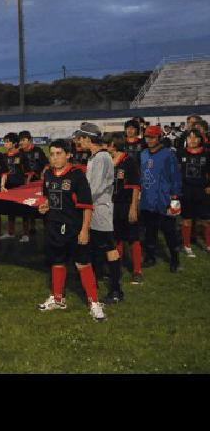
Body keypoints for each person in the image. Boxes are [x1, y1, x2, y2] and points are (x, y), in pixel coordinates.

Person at [37, 139, 106, 322]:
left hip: (74, 228)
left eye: (59, 153)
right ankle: (58, 299)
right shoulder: (48, 175)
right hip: (53, 226)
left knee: (82, 264)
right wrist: (45, 207)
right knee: (57, 262)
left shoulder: (77, 176)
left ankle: (94, 303)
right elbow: (49, 200)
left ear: (68, 155)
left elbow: (87, 206)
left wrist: (84, 230)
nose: (55, 157)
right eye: (52, 154)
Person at [75, 123, 123, 304]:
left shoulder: (101, 158)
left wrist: (76, 198)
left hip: (100, 209)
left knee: (109, 247)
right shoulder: (95, 157)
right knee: (98, 246)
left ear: (88, 138)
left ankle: (116, 290)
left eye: (81, 138)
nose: (79, 141)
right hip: (94, 208)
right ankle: (96, 279)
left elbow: (94, 188)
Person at [139, 125, 183, 272]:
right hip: (147, 200)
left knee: (169, 231)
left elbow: (175, 176)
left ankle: (175, 260)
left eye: (152, 137)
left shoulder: (168, 154)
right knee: (149, 231)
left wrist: (175, 198)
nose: (149, 140)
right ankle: (150, 257)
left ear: (159, 138)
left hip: (164, 200)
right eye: (147, 137)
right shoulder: (143, 153)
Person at [105, 132, 143, 284]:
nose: (104, 146)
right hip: (112, 205)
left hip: (126, 204)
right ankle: (117, 269)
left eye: (106, 144)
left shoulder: (129, 161)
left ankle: (137, 271)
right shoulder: (107, 160)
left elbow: (135, 186)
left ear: (113, 145)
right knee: (117, 237)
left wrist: (133, 207)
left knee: (133, 238)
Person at [176, 128, 210, 256]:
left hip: (202, 190)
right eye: (189, 137)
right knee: (187, 219)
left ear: (200, 139)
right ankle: (187, 245)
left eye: (195, 137)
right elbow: (175, 172)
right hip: (186, 190)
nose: (192, 140)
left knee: (206, 220)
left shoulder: (206, 154)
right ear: (186, 140)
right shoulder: (180, 153)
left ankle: (208, 244)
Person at [0, 132, 30, 241]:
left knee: (24, 211)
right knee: (10, 210)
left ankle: (26, 234)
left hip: (20, 187)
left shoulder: (22, 155)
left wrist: (26, 187)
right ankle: (11, 232)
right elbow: (3, 173)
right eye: (4, 142)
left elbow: (28, 173)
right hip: (8, 188)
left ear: (14, 143)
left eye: (7, 142)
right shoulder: (3, 157)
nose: (5, 144)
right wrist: (2, 185)